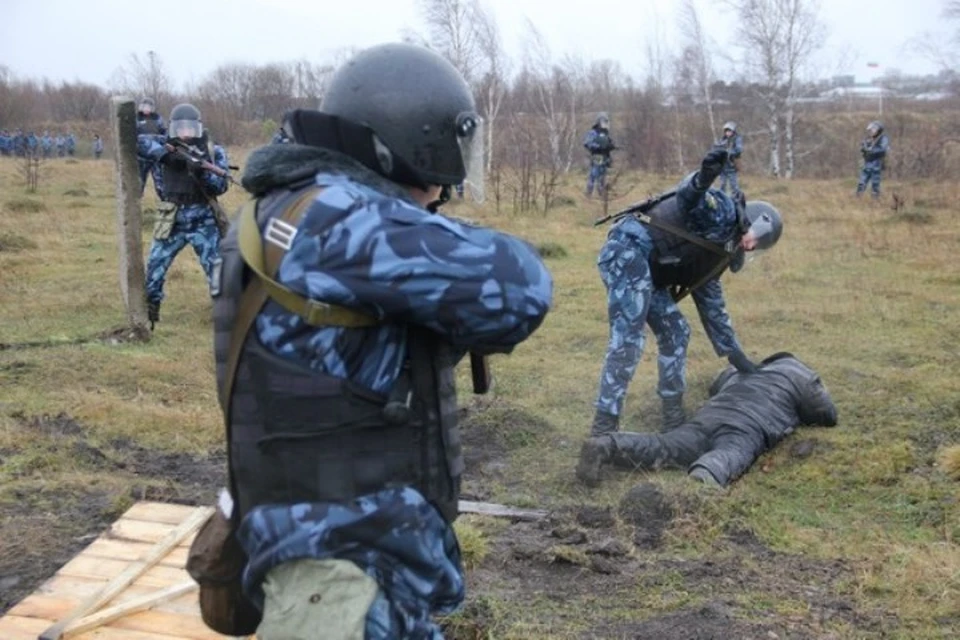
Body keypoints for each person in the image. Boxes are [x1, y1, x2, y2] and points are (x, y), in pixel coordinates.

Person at [211, 42, 552, 640]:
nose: (442, 190)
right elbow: (520, 288)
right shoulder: (341, 218)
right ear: (407, 144)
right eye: (440, 165)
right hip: (338, 580)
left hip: (331, 554)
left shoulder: (285, 206)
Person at [586, 147, 783, 443]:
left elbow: (714, 310)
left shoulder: (718, 254)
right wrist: (705, 177)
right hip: (627, 252)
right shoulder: (724, 211)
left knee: (677, 331)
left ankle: (672, 415)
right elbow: (689, 197)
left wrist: (738, 358)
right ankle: (604, 425)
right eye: (756, 241)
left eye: (758, 248)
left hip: (650, 271)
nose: (751, 249)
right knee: (629, 336)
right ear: (756, 223)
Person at [576, 352, 838, 487]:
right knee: (731, 453)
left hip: (708, 416)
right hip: (748, 426)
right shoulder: (799, 373)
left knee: (665, 445)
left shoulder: (739, 368)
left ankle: (608, 445)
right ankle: (701, 480)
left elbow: (714, 387)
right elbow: (827, 415)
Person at [138, 103, 230, 329]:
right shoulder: (163, 144)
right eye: (181, 128)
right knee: (154, 269)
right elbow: (136, 141)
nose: (186, 133)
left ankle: (227, 319)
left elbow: (221, 185)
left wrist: (201, 172)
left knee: (218, 273)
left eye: (190, 128)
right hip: (171, 218)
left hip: (203, 219)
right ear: (172, 129)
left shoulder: (212, 151)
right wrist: (166, 156)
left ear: (198, 128)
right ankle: (149, 316)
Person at [136, 97, 168, 194]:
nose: (146, 109)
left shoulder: (158, 118)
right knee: (139, 182)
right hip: (141, 157)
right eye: (144, 106)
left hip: (156, 156)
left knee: (160, 183)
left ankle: (165, 202)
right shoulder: (136, 118)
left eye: (149, 107)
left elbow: (165, 133)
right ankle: (135, 204)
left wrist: (159, 141)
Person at [583, 112, 616, 197]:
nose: (605, 123)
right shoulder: (594, 132)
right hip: (597, 156)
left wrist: (610, 146)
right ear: (599, 121)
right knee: (594, 174)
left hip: (605, 156)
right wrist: (597, 147)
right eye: (604, 121)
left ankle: (601, 194)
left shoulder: (605, 133)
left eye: (606, 121)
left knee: (602, 176)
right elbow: (587, 143)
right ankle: (589, 193)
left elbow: (609, 142)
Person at [856, 120, 889, 199]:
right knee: (862, 182)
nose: (871, 132)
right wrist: (864, 148)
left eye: (873, 130)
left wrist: (871, 150)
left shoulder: (883, 138)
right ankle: (858, 197)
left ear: (878, 130)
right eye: (870, 130)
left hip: (877, 163)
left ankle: (875, 199)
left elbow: (883, 149)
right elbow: (863, 148)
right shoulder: (869, 139)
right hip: (867, 163)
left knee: (875, 183)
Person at [714, 121, 743, 195]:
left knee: (734, 186)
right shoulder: (722, 140)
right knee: (721, 185)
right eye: (726, 131)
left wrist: (729, 152)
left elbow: (739, 149)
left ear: (733, 131)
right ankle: (722, 200)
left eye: (729, 131)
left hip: (732, 166)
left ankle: (737, 201)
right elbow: (716, 148)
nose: (728, 133)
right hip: (723, 166)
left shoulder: (737, 139)